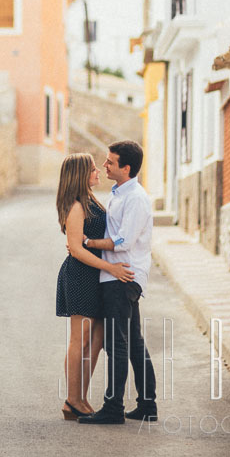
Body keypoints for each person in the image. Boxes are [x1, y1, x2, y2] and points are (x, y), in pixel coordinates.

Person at [77, 140, 158, 425]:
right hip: (118, 275)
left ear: (126, 167)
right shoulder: (118, 194)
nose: (104, 165)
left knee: (117, 343)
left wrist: (87, 242)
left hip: (121, 276)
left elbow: (123, 241)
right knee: (133, 341)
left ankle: (113, 408)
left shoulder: (135, 198)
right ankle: (147, 405)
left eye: (110, 162)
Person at [54, 153, 134, 420]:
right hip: (80, 276)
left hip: (97, 277)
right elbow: (76, 249)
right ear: (80, 174)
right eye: (92, 169)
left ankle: (81, 398)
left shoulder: (90, 200)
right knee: (81, 339)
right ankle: (72, 400)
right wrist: (111, 267)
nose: (98, 171)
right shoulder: (76, 206)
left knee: (97, 341)